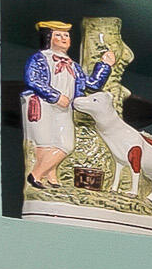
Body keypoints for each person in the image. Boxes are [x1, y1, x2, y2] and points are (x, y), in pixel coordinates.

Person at [22, 20, 108, 188]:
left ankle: (35, 175)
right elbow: (33, 80)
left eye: (66, 35)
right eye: (58, 35)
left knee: (66, 144)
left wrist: (104, 65)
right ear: (48, 38)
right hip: (41, 104)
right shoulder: (40, 58)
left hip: (64, 109)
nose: (64, 39)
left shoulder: (73, 65)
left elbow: (91, 85)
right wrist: (54, 96)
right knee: (44, 141)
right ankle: (49, 177)